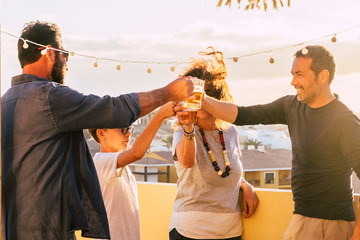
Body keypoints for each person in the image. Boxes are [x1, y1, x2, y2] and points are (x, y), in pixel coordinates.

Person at [1, 20, 194, 240]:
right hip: (49, 229)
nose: (67, 63)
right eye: (65, 54)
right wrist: (167, 93)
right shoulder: (50, 96)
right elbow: (113, 109)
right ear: (49, 53)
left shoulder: (4, 103)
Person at [200, 45, 360, 240]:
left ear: (323, 76)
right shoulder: (291, 106)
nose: (293, 82)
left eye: (300, 75)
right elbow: (243, 115)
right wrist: (202, 100)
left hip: (330, 224)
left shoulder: (344, 121)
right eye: (293, 74)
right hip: (303, 216)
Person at [169, 47, 259, 240]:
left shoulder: (230, 132)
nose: (199, 99)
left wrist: (246, 186)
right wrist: (188, 126)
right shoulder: (182, 132)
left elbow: (228, 171)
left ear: (218, 96)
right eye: (192, 94)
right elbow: (186, 162)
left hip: (230, 231)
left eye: (207, 92)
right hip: (190, 231)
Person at [87, 101, 176, 240]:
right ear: (101, 133)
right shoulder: (100, 161)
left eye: (129, 128)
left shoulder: (120, 166)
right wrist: (160, 115)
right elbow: (137, 153)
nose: (128, 134)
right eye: (122, 129)